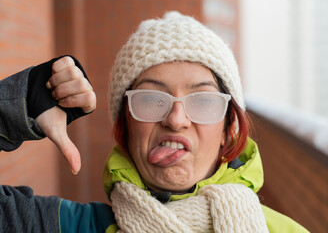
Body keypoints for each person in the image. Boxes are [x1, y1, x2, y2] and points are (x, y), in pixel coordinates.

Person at [0, 12, 309, 232]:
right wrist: (19, 104)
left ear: (229, 130)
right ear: (125, 125)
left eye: (202, 101)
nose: (175, 120)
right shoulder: (70, 227)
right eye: (150, 100)